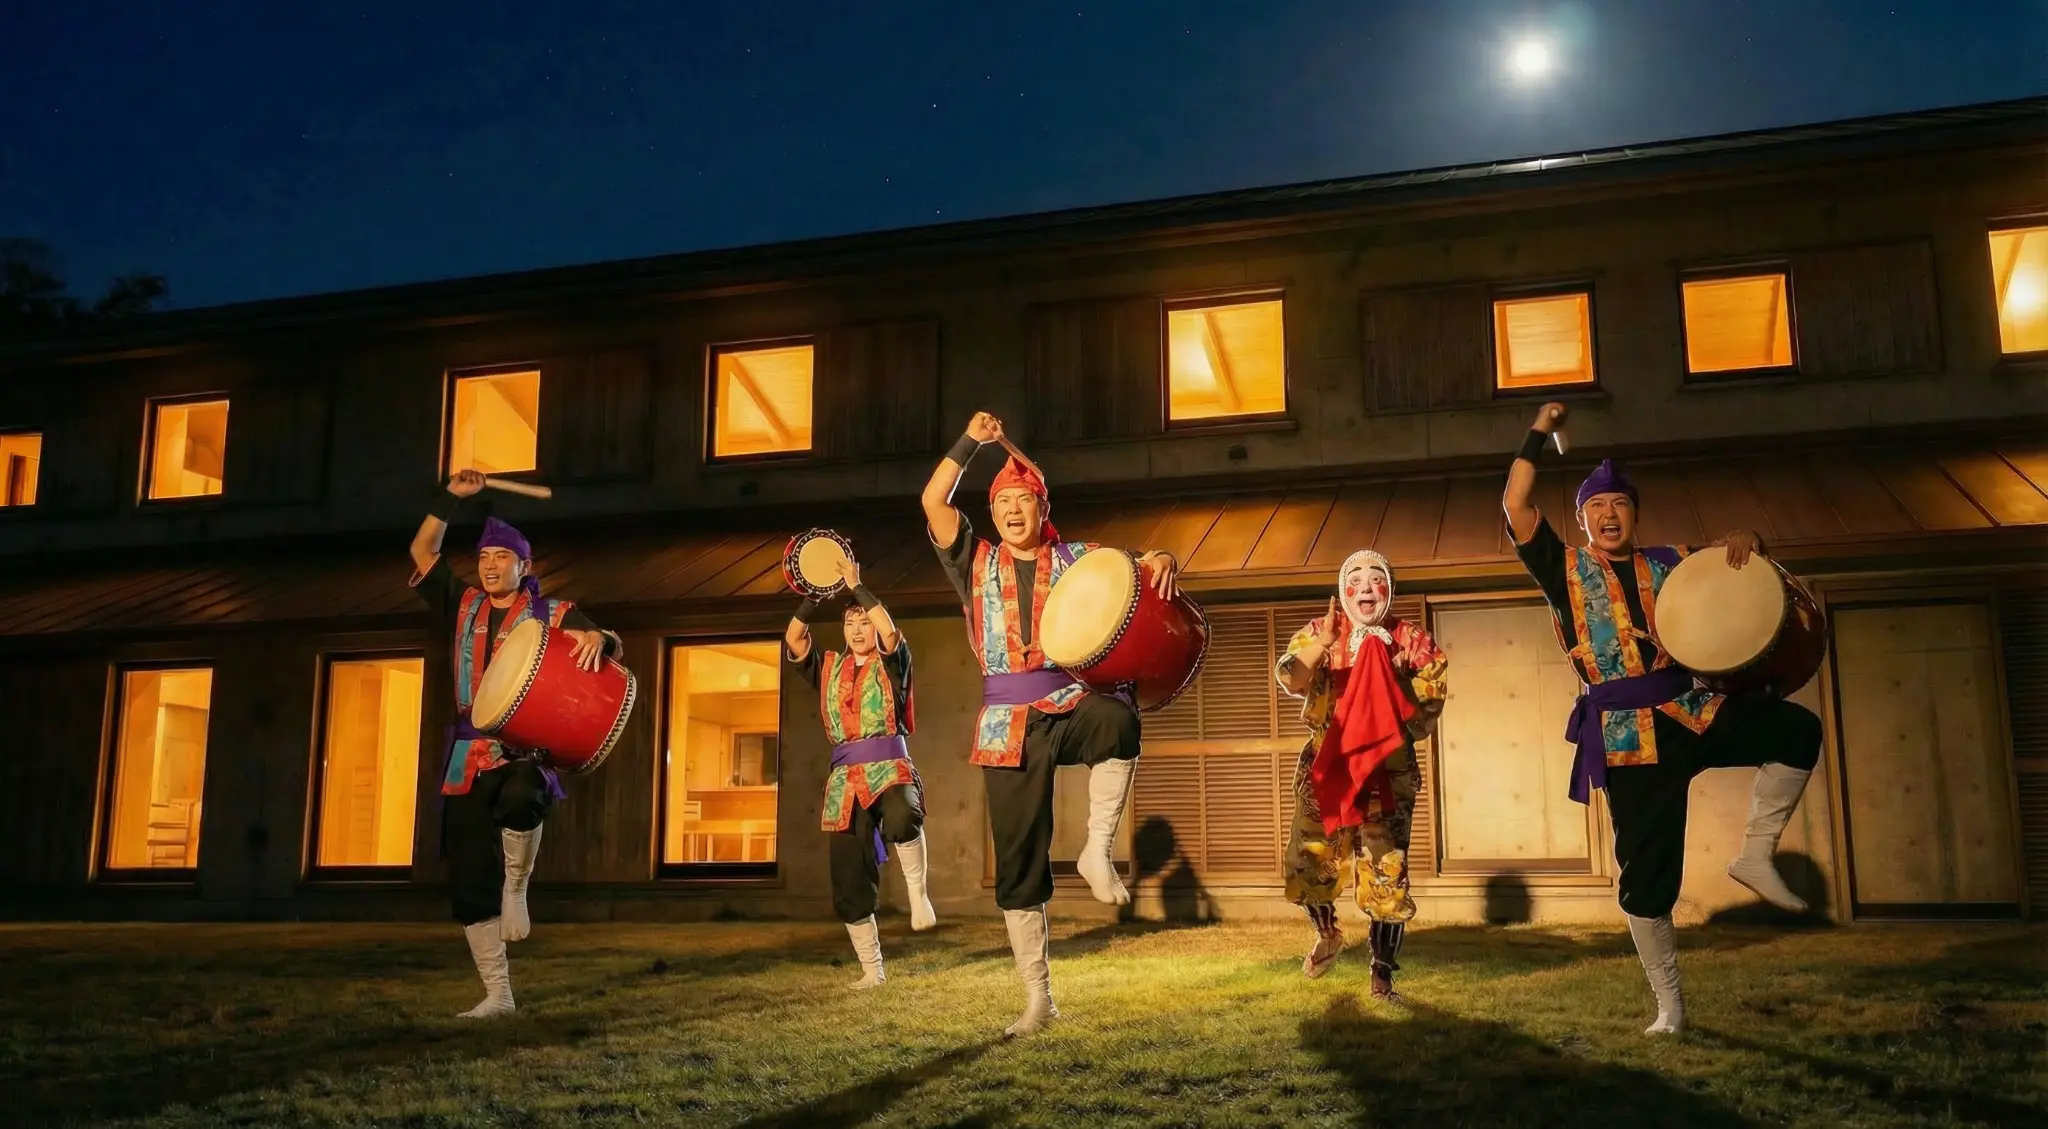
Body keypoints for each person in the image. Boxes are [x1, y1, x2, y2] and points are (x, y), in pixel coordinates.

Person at [1503, 402, 1823, 1036]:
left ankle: (1756, 855)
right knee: (1648, 877)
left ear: (1635, 513)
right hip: (1628, 737)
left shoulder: (1673, 561)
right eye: (1597, 505)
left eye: (1620, 503)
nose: (1609, 513)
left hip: (1691, 710)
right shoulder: (1563, 568)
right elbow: (1514, 502)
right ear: (1582, 518)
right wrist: (1540, 430)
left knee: (1797, 730)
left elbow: (1736, 568)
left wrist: (1748, 541)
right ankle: (1670, 1005)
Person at [921, 411, 1180, 1037]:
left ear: (1042, 506)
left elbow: (1137, 565)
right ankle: (1038, 998)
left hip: (1068, 702)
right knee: (1019, 861)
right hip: (1006, 724)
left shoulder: (1079, 559)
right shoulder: (973, 560)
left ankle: (1096, 850)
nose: (1013, 511)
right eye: (1002, 502)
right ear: (992, 511)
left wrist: (1163, 556)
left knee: (1118, 719)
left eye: (1023, 500)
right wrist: (971, 442)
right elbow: (932, 500)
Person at [408, 468, 622, 1019]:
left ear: (524, 566)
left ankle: (518, 884)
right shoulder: (462, 604)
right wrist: (450, 498)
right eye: (484, 557)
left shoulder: (552, 614)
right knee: (468, 876)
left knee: (525, 795)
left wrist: (599, 637)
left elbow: (605, 641)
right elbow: (423, 549)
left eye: (501, 557)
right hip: (467, 754)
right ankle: (498, 994)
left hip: (524, 748)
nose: (489, 565)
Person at [1276, 551, 1448, 997]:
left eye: (1377, 578)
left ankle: (1382, 973)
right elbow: (1291, 678)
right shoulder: (1321, 629)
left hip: (1387, 771)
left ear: (1389, 588)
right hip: (1328, 765)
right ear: (1342, 590)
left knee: (1386, 871)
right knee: (1309, 858)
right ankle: (1328, 932)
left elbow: (1428, 703)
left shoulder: (1409, 639)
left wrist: (1387, 680)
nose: (1367, 587)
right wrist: (1323, 644)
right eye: (1355, 579)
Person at [784, 554, 937, 989]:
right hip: (844, 782)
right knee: (849, 877)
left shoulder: (892, 662)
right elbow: (794, 637)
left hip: (889, 766)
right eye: (850, 622)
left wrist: (857, 586)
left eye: (863, 621)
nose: (857, 629)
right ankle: (872, 970)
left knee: (904, 814)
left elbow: (890, 632)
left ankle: (918, 893)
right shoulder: (829, 667)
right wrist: (814, 595)